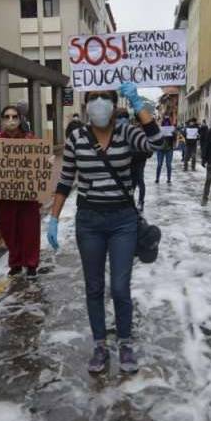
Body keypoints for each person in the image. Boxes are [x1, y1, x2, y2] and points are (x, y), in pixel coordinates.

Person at [45, 82, 162, 374]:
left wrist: (138, 103)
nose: (99, 103)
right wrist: (54, 218)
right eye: (93, 98)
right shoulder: (76, 138)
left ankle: (124, 342)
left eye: (105, 98)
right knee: (94, 286)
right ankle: (100, 344)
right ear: (85, 105)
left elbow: (158, 142)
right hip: (90, 222)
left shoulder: (127, 132)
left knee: (120, 287)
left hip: (123, 220)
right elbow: (65, 180)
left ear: (114, 103)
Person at [0, 105, 43, 277]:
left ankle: (31, 263)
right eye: (6, 117)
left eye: (14, 116)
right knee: (9, 230)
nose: (11, 120)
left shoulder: (31, 140)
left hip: (28, 197)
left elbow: (41, 167)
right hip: (4, 198)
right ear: (2, 120)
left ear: (20, 119)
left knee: (30, 230)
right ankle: (15, 262)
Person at [117, 108, 147, 210]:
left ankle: (140, 202)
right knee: (132, 182)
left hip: (139, 159)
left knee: (139, 180)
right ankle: (131, 202)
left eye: (123, 118)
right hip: (130, 159)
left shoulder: (139, 129)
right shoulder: (125, 129)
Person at [155, 116, 175, 184]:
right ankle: (157, 178)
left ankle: (169, 179)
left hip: (169, 149)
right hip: (160, 149)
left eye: (167, 122)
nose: (166, 123)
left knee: (168, 164)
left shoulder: (172, 130)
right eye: (165, 122)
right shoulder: (159, 130)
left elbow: (174, 139)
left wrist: (173, 133)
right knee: (159, 164)